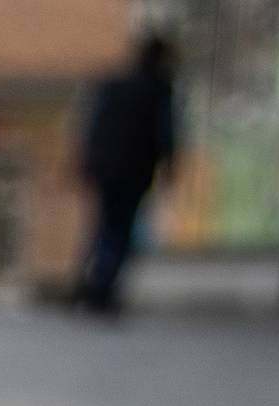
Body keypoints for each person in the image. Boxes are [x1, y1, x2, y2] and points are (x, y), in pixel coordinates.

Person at [76, 32, 178, 315]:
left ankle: (88, 284)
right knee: (118, 229)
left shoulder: (114, 85)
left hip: (105, 167)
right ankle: (101, 289)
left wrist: (87, 161)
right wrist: (168, 166)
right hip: (134, 170)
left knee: (103, 226)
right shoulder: (158, 89)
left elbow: (91, 125)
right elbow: (165, 131)